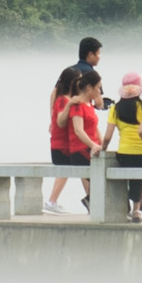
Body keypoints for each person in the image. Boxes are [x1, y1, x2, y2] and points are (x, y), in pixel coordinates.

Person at [45, 65, 102, 213]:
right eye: (78, 80)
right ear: (72, 82)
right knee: (72, 171)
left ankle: (91, 200)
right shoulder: (64, 101)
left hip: (70, 144)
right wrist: (70, 104)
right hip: (63, 146)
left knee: (81, 173)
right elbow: (61, 121)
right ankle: (52, 202)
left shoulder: (74, 101)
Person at [109, 72, 142, 219]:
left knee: (126, 178)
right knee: (138, 180)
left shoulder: (115, 109)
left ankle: (127, 206)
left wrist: (101, 148)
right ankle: (136, 210)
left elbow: (108, 135)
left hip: (124, 153)